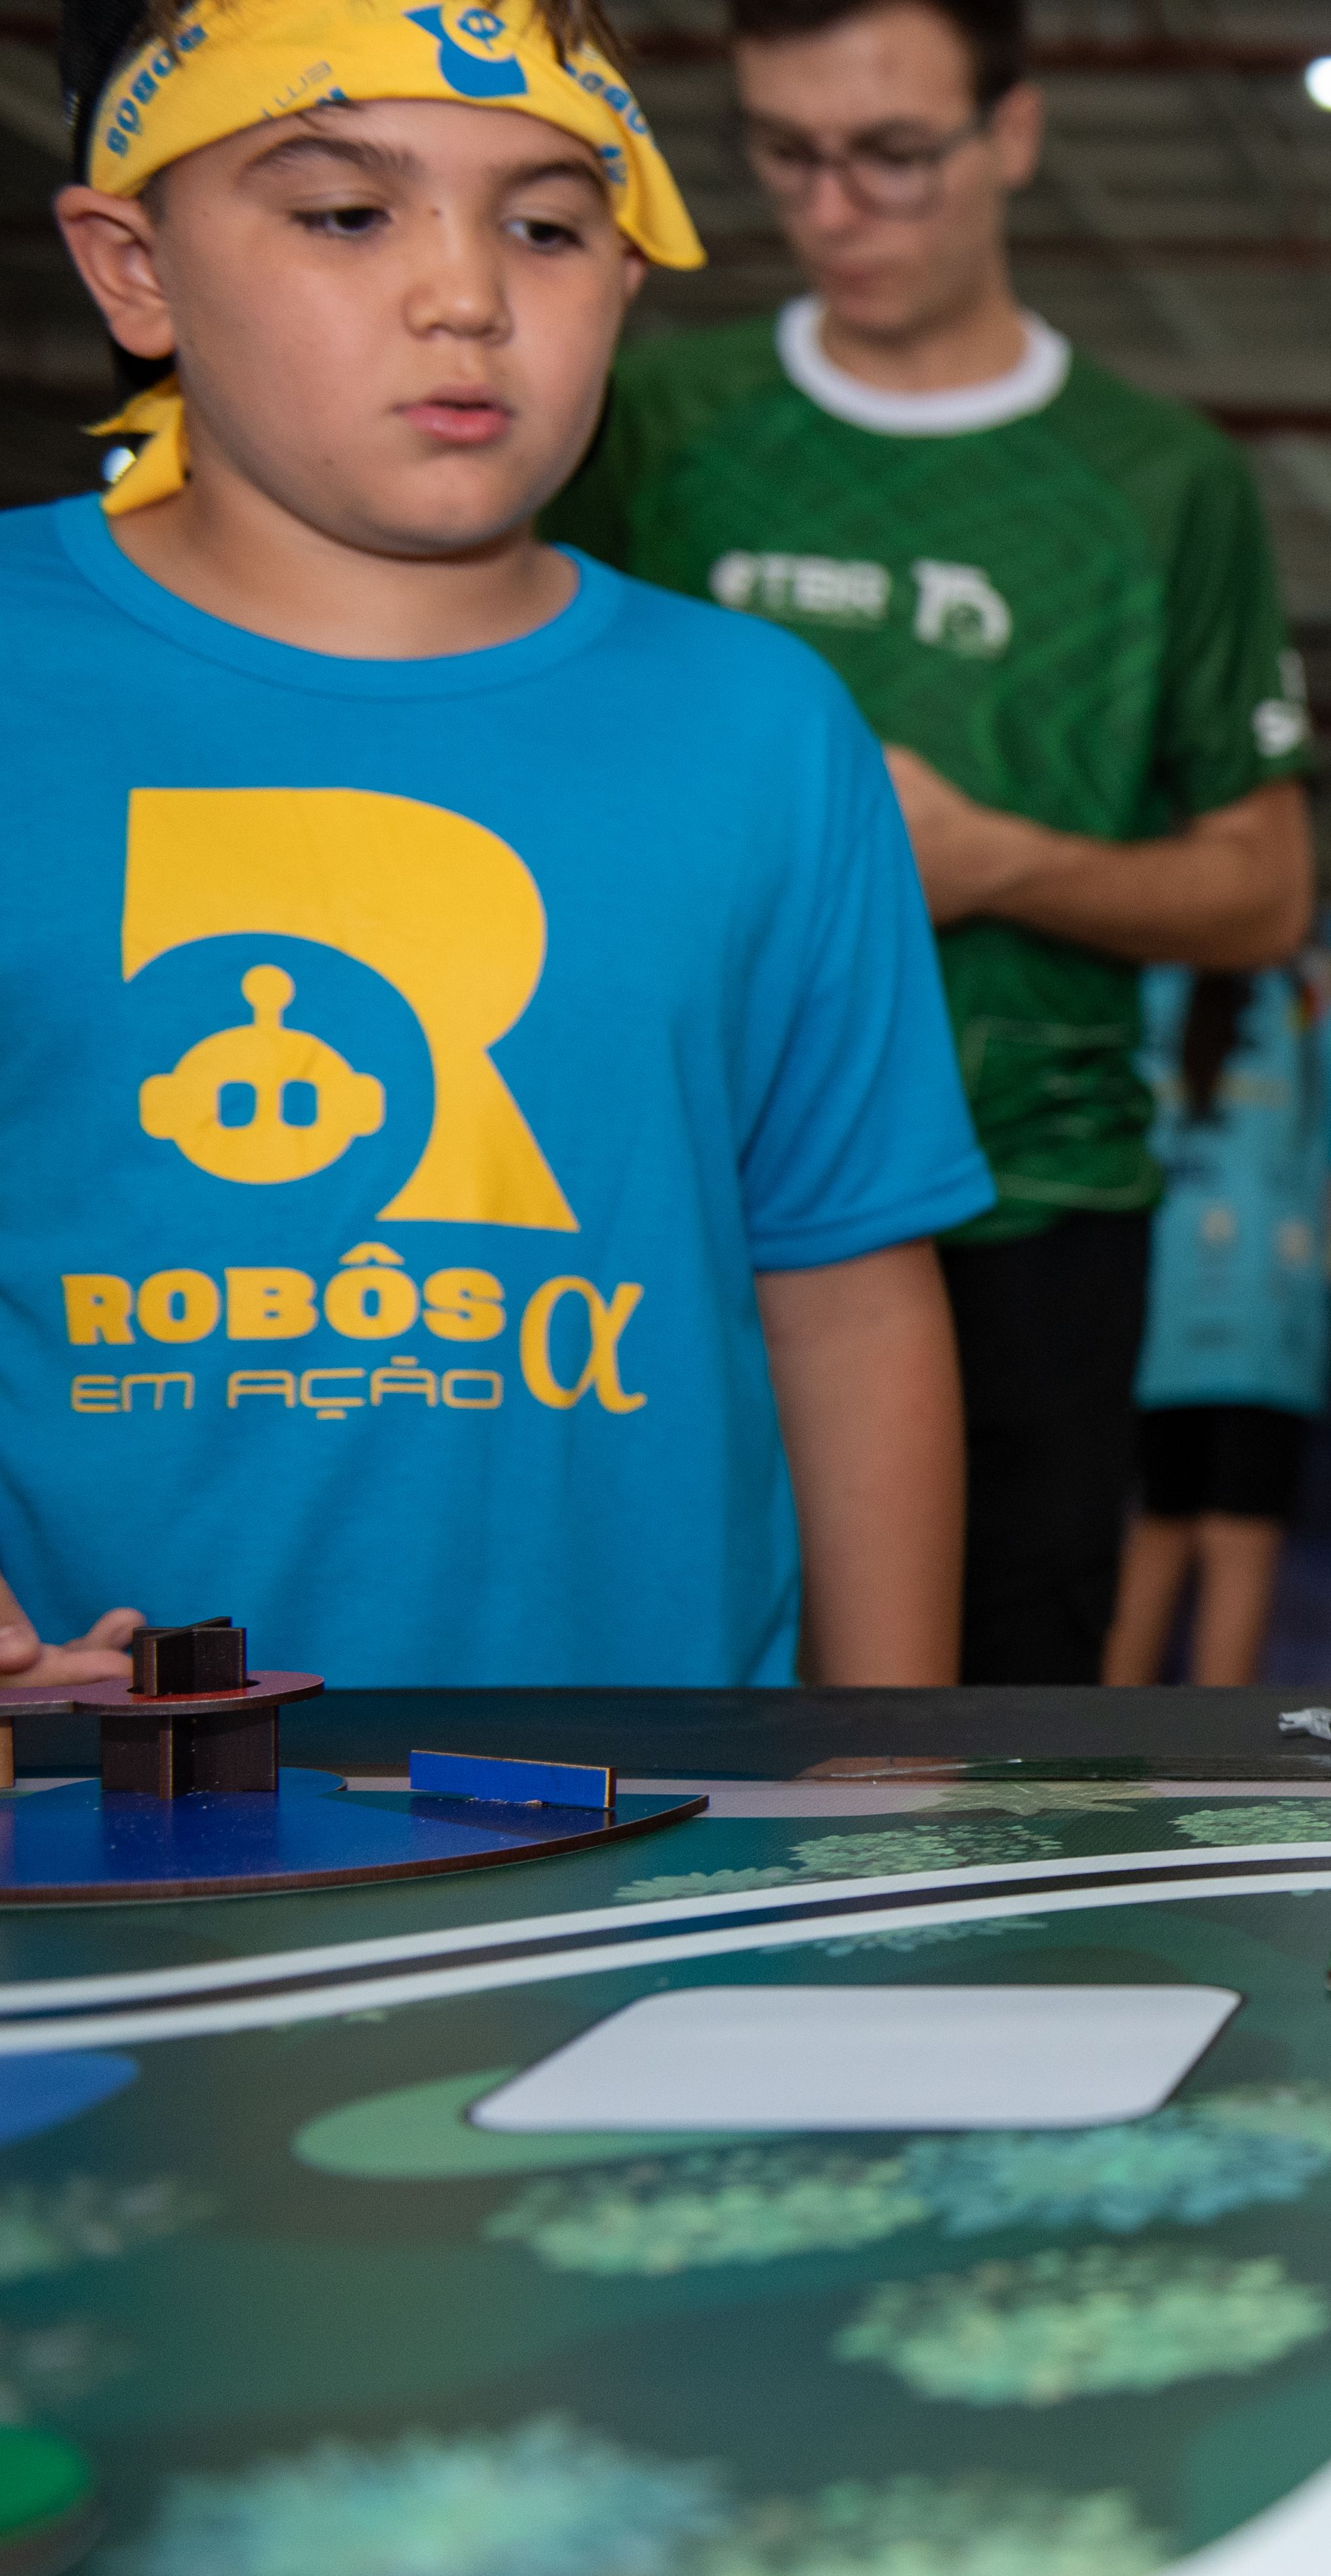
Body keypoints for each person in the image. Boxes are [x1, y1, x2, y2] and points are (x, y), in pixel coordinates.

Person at [5, 0, 989, 1691]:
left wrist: (894, 1760)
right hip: (93, 1804)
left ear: (626, 275)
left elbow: (848, 1299)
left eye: (543, 226)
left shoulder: (756, 725)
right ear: (133, 269)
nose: (465, 295)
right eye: (346, 214)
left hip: (653, 1797)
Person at [548, 0, 1313, 1682]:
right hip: (675, 1210)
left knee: (998, 1733)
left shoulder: (1157, 482)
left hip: (1032, 1206)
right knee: (657, 1710)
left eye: (892, 156)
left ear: (1011, 134)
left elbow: (1265, 891)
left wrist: (993, 861)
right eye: (787, 156)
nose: (834, 209)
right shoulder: (642, 426)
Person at [1103, 966, 1331, 1686]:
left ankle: (1097, 1742)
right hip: (1269, 1322)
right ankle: (1214, 1748)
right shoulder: (1306, 999)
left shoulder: (1140, 988)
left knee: (1154, 1537)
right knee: (1239, 1550)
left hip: (1156, 1317)